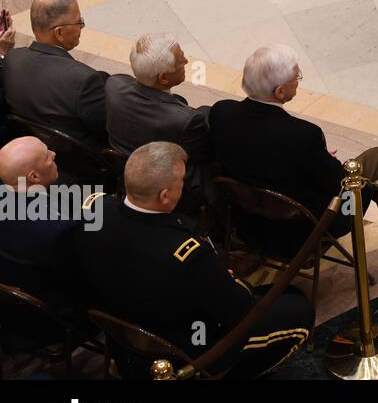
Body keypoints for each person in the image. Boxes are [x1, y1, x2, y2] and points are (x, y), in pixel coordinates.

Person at [74, 142, 314, 379]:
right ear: (165, 195)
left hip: (123, 337)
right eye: (181, 181)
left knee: (280, 294)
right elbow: (237, 310)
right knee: (299, 311)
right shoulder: (188, 252)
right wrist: (226, 279)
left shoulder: (95, 210)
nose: (184, 186)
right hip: (184, 348)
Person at [208, 45, 378, 263]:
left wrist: (312, 158)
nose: (298, 83)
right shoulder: (303, 135)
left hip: (248, 224)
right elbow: (339, 185)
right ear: (279, 91)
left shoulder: (221, 112)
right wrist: (325, 159)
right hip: (309, 229)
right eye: (296, 79)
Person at [0, 137, 88, 343]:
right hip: (50, 314)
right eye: (46, 155)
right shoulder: (59, 230)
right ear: (34, 176)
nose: (54, 154)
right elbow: (81, 277)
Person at [105, 33, 213, 202]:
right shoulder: (185, 121)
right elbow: (205, 155)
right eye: (181, 60)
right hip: (169, 189)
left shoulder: (114, 85)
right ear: (163, 78)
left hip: (123, 169)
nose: (186, 61)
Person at [0, 0, 108, 148]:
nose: (81, 28)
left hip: (32, 145)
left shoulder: (11, 59)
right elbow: (104, 133)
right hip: (78, 161)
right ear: (59, 33)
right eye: (79, 23)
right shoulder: (85, 79)